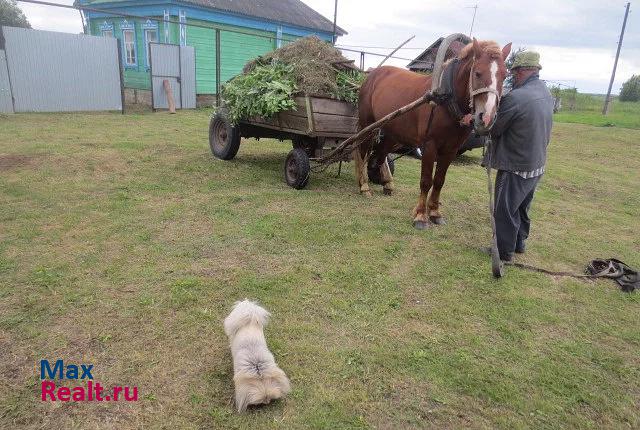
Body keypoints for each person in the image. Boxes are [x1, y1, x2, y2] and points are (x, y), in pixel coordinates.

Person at [484, 51, 554, 262]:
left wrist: (474, 121)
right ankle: (519, 244)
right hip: (536, 163)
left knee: (505, 209)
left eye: (514, 72)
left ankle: (504, 252)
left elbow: (494, 129)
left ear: (523, 71)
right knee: (522, 206)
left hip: (515, 164)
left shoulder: (516, 97)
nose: (513, 76)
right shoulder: (545, 92)